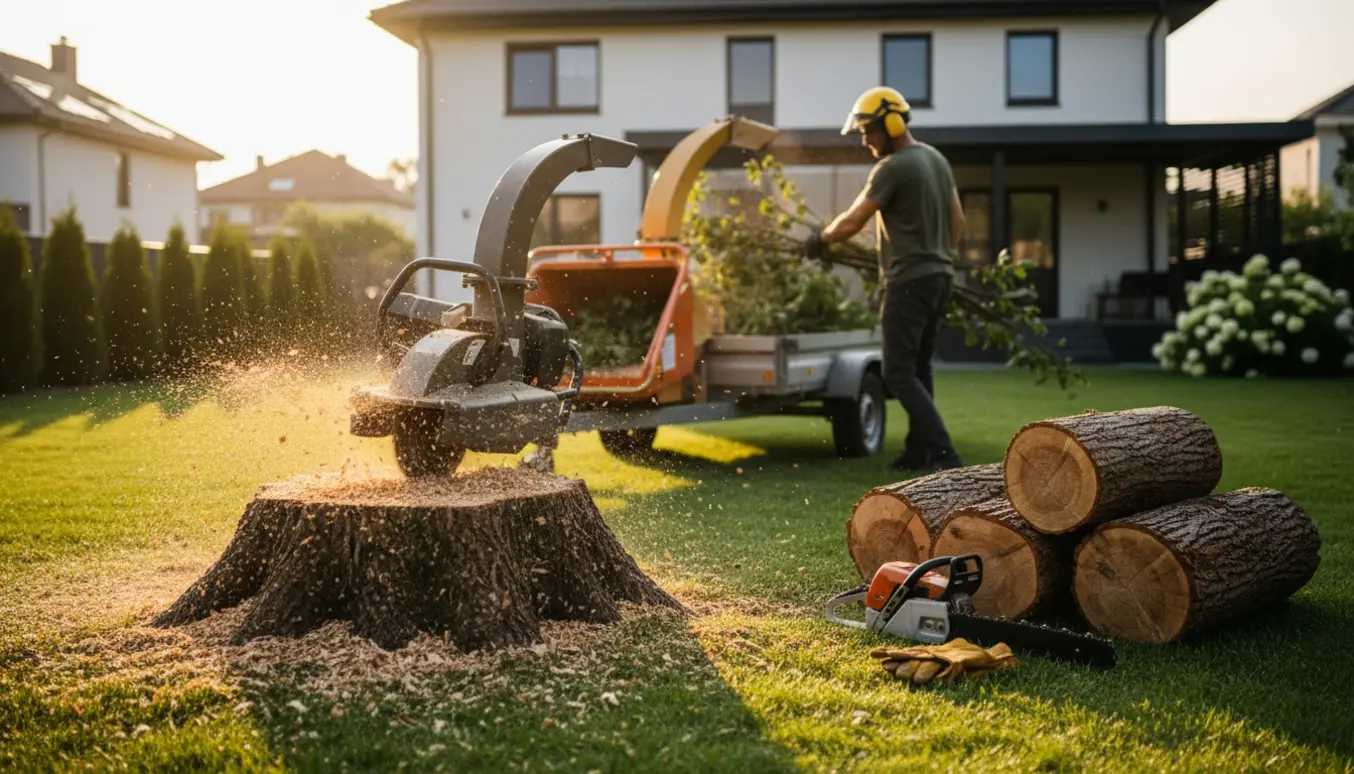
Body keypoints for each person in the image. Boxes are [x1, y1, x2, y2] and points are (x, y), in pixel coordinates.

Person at [803, 86, 965, 473]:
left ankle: (944, 455)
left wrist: (820, 239)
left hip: (909, 281)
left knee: (897, 373)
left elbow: (855, 219)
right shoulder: (936, 160)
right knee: (920, 370)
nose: (864, 140)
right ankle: (917, 452)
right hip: (940, 277)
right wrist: (941, 255)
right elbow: (957, 217)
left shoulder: (893, 167)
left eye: (868, 131)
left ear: (892, 125)